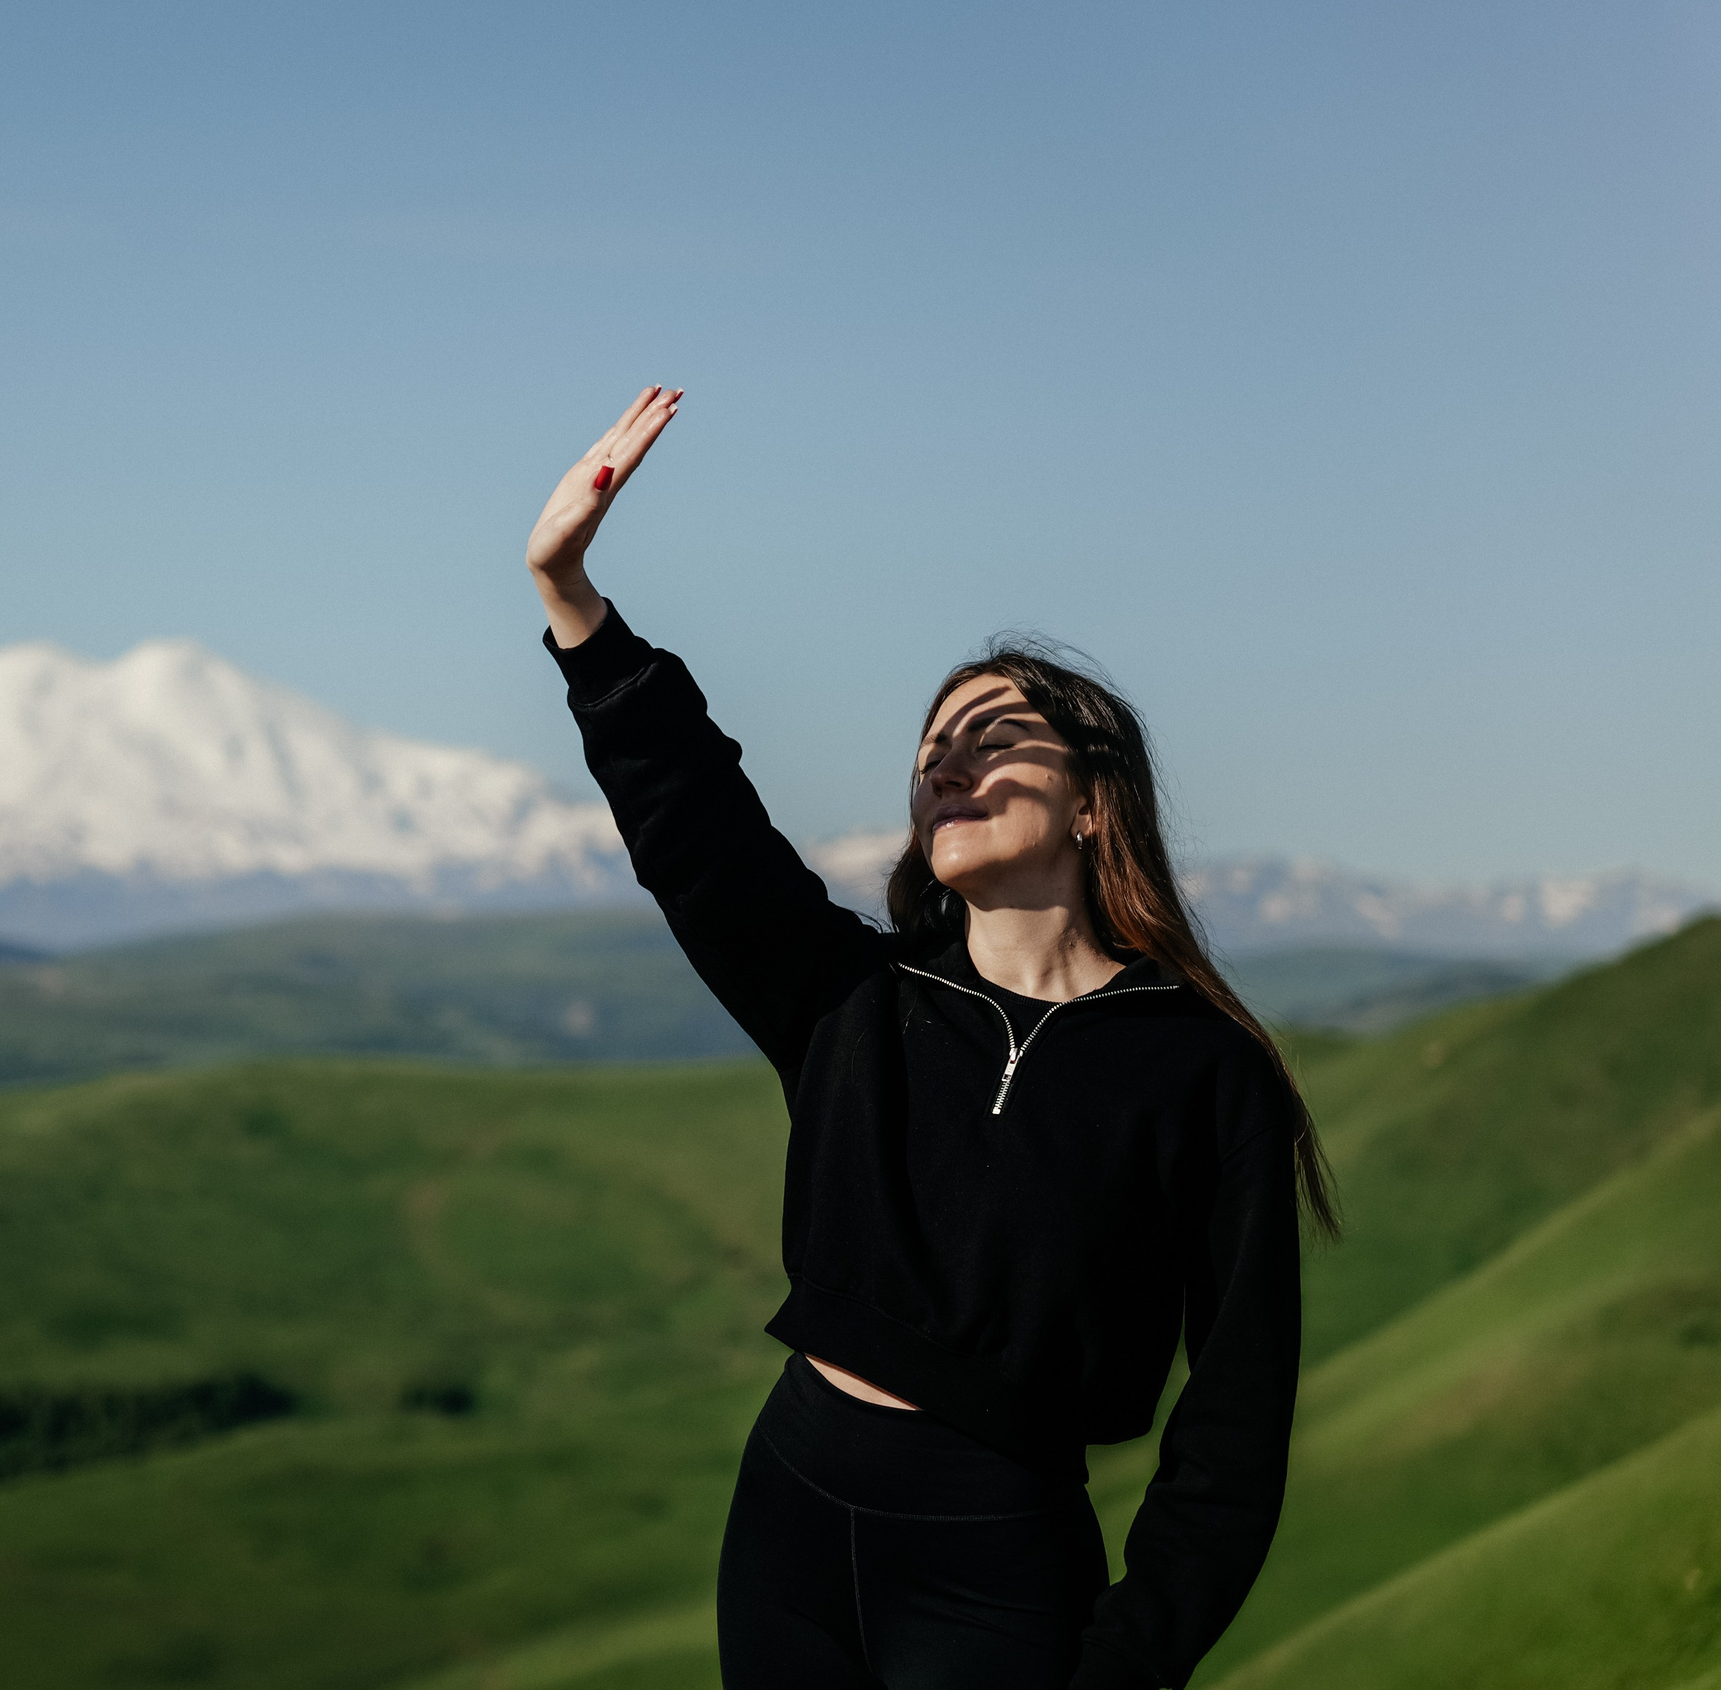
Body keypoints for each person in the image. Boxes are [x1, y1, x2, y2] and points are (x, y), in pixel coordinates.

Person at [524, 388, 1339, 1690]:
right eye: (931, 749)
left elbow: (1236, 1418)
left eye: (993, 736)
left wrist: (1128, 1663)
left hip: (996, 1556)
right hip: (788, 1513)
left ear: (1093, 799)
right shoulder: (854, 999)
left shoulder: (1202, 1071)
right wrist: (571, 596)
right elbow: (697, 827)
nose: (948, 764)